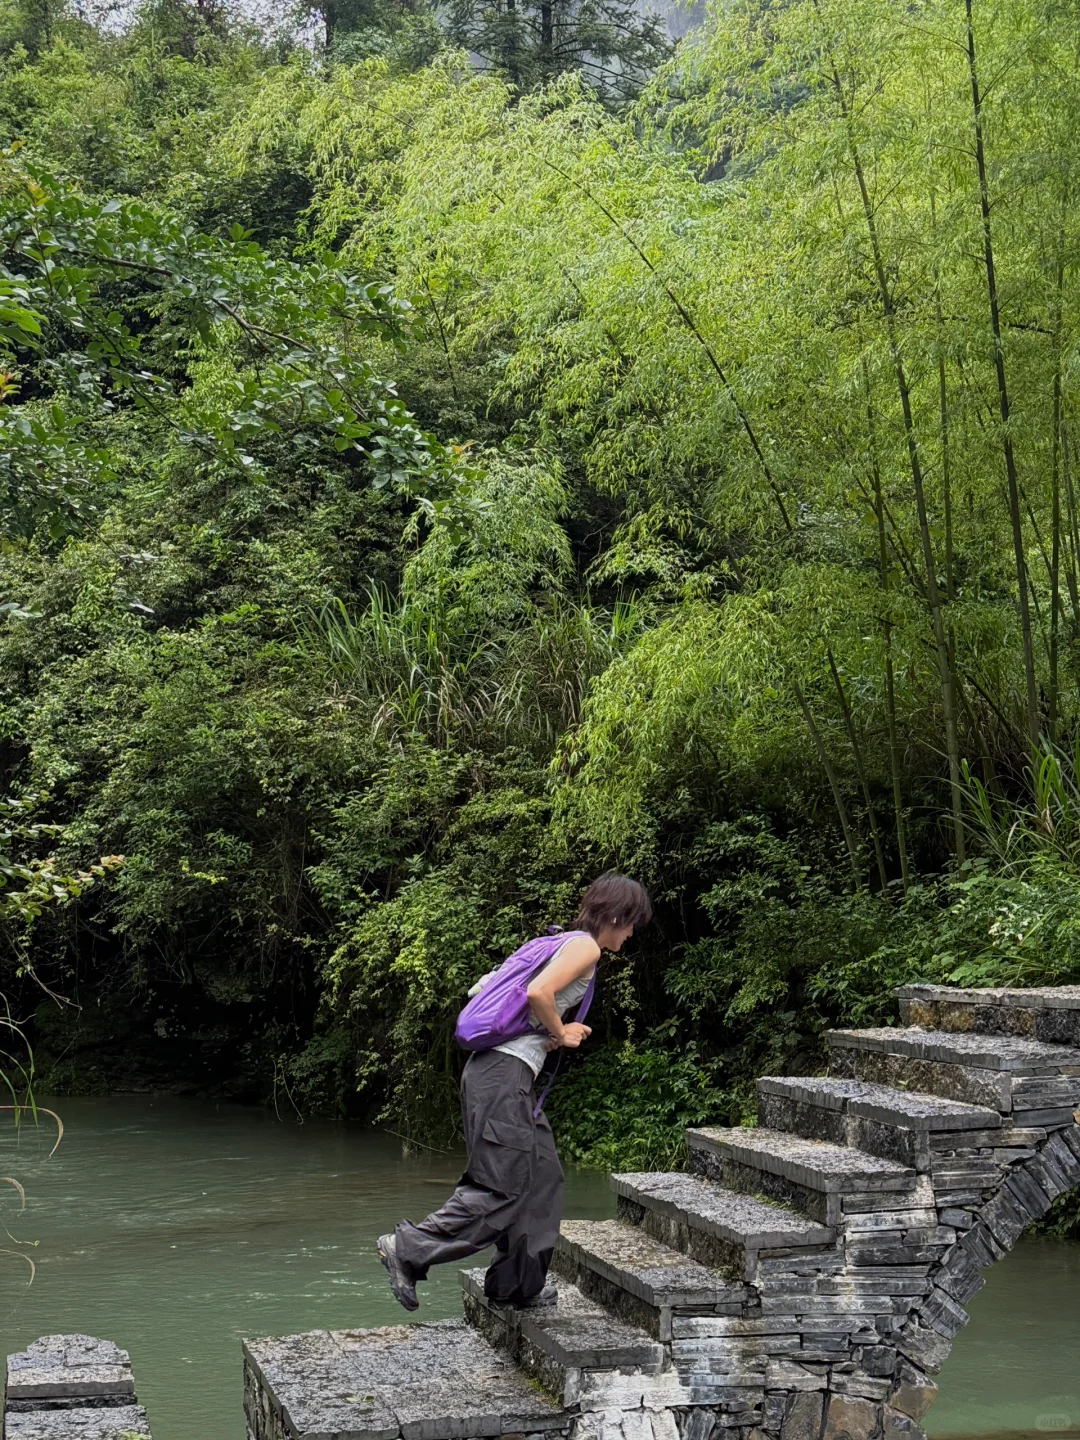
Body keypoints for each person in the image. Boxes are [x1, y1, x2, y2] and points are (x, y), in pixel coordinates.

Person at [377, 873, 652, 1313]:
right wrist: (560, 1033)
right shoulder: (584, 947)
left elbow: (486, 990)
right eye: (631, 922)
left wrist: (549, 1032)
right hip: (501, 1079)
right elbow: (537, 992)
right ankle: (407, 1248)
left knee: (542, 1178)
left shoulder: (550, 944)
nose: (632, 932)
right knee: (500, 1187)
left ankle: (516, 1288)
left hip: (504, 1076)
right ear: (617, 915)